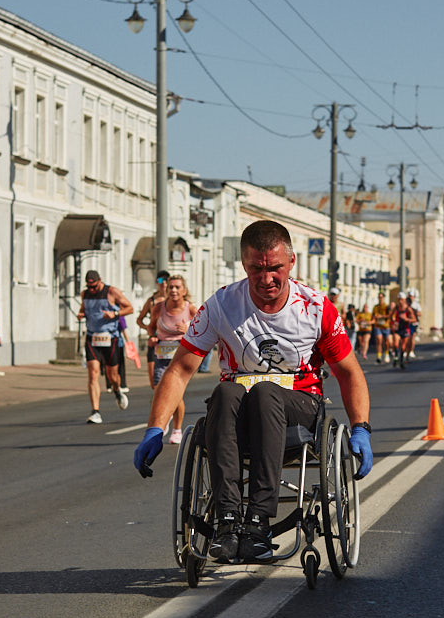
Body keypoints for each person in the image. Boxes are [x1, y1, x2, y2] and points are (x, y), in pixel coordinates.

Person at [133, 220, 372, 565]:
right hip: (239, 409)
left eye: (275, 267)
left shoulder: (316, 308)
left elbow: (349, 372)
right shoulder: (222, 305)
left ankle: (258, 521)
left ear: (291, 262)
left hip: (299, 403)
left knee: (264, 393)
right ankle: (228, 521)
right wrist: (155, 428)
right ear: (244, 265)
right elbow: (180, 370)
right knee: (225, 393)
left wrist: (361, 427)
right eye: (256, 269)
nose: (266, 278)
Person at [146, 274, 198, 443]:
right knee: (159, 389)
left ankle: (177, 429)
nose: (174, 290)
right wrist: (152, 337)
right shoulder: (158, 308)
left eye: (177, 287)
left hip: (180, 354)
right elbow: (151, 327)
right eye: (171, 287)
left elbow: (203, 329)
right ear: (166, 290)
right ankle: (165, 416)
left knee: (176, 392)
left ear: (184, 290)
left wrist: (187, 329)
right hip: (162, 353)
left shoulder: (190, 309)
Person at [79, 270, 134, 423]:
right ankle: (95, 411)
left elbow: (130, 308)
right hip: (92, 338)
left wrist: (115, 314)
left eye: (94, 287)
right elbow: (83, 310)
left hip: (110, 338)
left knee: (112, 376)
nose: (92, 290)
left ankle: (117, 390)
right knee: (93, 373)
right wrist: (81, 314)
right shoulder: (85, 294)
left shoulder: (112, 292)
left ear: (100, 281)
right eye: (89, 287)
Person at [136, 270, 170, 388]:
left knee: (170, 380)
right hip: (155, 340)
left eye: (166, 280)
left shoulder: (175, 300)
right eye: (161, 280)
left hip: (171, 342)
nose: (163, 283)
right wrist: (148, 329)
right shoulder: (151, 301)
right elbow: (139, 320)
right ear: (157, 282)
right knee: (154, 382)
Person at [395, 294, 418, 369]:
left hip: (405, 328)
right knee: (395, 343)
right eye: (399, 299)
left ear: (404, 300)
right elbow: (390, 315)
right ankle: (396, 356)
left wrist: (407, 319)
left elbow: (414, 319)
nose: (400, 301)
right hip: (398, 328)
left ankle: (401, 359)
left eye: (401, 299)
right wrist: (393, 320)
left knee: (403, 346)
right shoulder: (396, 307)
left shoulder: (408, 309)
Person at [371, 291, 391, 363]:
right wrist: (374, 319)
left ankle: (386, 353)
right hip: (378, 325)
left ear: (384, 298)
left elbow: (389, 315)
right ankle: (379, 356)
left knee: (386, 341)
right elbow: (373, 316)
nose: (380, 298)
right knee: (379, 340)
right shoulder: (375, 307)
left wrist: (381, 316)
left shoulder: (387, 306)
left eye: (381, 297)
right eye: (379, 297)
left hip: (385, 326)